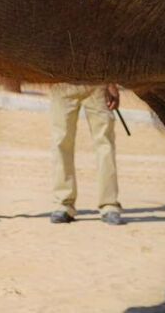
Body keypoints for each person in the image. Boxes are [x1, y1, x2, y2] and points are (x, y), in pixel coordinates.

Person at [48, 82, 123, 225]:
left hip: (97, 81)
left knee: (105, 143)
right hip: (62, 81)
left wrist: (111, 82)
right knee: (60, 142)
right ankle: (63, 204)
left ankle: (109, 204)